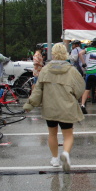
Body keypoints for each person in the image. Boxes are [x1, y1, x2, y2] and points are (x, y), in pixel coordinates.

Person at [23, 43, 85, 172]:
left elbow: (38, 90)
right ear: (65, 53)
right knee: (68, 134)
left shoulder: (45, 69)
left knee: (52, 133)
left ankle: (55, 159)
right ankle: (66, 154)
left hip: (50, 106)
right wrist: (73, 96)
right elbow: (80, 88)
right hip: (67, 106)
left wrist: (30, 104)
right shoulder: (72, 70)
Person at [78, 38, 96, 114]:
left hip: (88, 72)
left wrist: (83, 63)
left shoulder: (88, 49)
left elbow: (80, 54)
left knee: (87, 90)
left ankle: (82, 105)